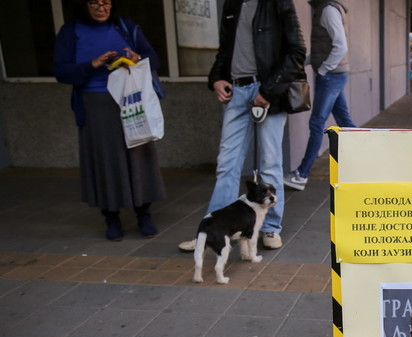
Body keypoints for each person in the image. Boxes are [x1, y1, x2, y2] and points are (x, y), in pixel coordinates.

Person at [178, 0, 305, 252]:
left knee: (270, 164)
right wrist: (216, 78)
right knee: (227, 165)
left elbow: (297, 52)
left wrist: (268, 91)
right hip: (236, 92)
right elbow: (225, 50)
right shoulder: (232, 4)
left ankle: (270, 228)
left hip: (267, 92)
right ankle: (214, 231)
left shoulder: (278, 3)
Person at [53, 0, 166, 241]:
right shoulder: (70, 31)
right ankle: (111, 218)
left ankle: (144, 214)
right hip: (95, 104)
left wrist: (136, 58)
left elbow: (153, 58)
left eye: (106, 2)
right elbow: (61, 72)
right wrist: (93, 64)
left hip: (130, 100)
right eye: (94, 2)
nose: (101, 8)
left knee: (138, 155)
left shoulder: (125, 26)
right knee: (105, 161)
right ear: (84, 5)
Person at [284, 0, 355, 192]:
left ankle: (301, 174)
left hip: (331, 75)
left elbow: (340, 46)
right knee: (345, 122)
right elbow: (324, 48)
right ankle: (365, 166)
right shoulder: (325, 9)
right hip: (334, 74)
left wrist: (323, 70)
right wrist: (304, 61)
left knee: (317, 123)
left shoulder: (328, 10)